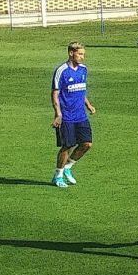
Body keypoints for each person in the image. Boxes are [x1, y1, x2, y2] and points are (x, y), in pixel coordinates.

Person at [51, 41, 96, 189]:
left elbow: (81, 90)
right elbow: (55, 94)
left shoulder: (83, 69)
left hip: (81, 115)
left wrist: (88, 105)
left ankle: (68, 167)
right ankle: (58, 175)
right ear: (71, 53)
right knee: (67, 145)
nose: (83, 57)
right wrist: (58, 114)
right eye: (80, 54)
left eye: (83, 54)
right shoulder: (61, 71)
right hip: (67, 116)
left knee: (87, 144)